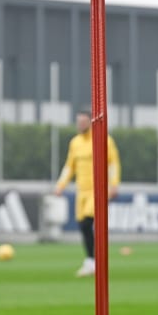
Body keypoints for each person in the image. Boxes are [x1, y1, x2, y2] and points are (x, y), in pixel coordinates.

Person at [53, 109, 121, 277]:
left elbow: (113, 164)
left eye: (84, 121)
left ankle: (95, 261)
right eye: (79, 122)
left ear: (91, 122)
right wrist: (61, 184)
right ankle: (91, 261)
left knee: (86, 223)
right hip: (81, 190)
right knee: (83, 227)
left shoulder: (104, 140)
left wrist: (114, 185)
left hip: (98, 190)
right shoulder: (75, 143)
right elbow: (69, 166)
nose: (80, 124)